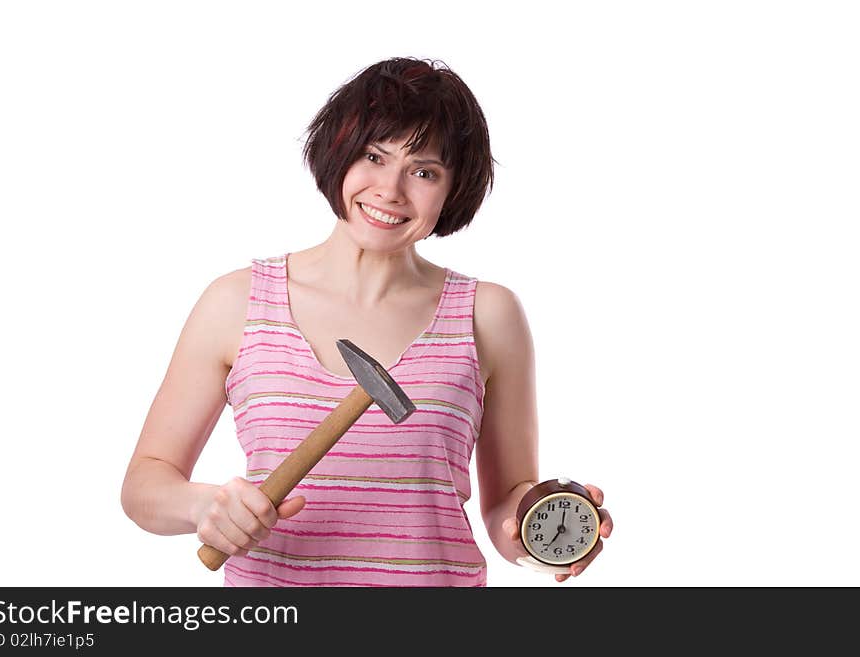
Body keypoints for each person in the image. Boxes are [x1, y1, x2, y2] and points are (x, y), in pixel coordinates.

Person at [121, 56, 613, 587]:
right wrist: (204, 506)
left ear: (453, 190)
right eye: (374, 156)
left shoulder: (487, 315)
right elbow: (144, 486)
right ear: (338, 153)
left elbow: (505, 508)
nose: (391, 190)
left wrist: (540, 530)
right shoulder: (238, 302)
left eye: (424, 171)